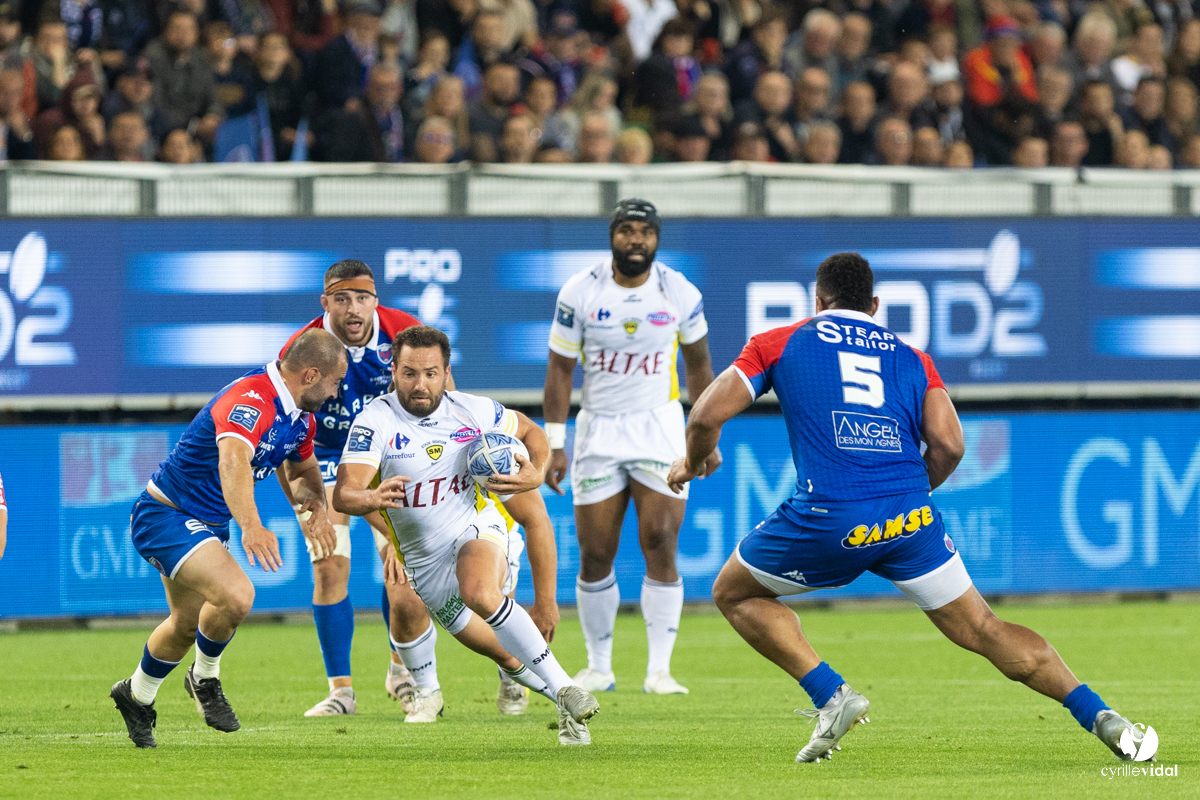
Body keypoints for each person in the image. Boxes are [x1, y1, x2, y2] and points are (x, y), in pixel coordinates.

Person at [667, 252, 1155, 764]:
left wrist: (694, 461)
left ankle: (831, 696)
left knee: (734, 592)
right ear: (874, 305)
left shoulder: (779, 342)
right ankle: (1101, 715)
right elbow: (950, 446)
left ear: (817, 300)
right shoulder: (913, 356)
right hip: (910, 518)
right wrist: (905, 496)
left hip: (831, 514)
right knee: (985, 628)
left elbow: (704, 416)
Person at [333, 326, 600, 744]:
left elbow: (531, 431)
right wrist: (369, 496)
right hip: (424, 561)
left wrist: (536, 468)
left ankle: (566, 686)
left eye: (431, 373)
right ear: (394, 371)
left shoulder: (472, 411)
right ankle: (563, 706)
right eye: (409, 373)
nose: (420, 384)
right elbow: (344, 494)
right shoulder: (375, 422)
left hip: (473, 527)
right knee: (505, 652)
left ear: (445, 371)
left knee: (479, 590)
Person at [110, 330, 348, 749]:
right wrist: (252, 525)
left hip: (204, 525)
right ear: (311, 374)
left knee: (186, 625)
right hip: (166, 514)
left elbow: (303, 469)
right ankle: (205, 678)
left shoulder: (300, 418)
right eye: (334, 382)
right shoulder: (252, 398)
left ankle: (136, 695)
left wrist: (317, 508)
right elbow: (233, 459)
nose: (336, 392)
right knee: (237, 595)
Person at [544, 199, 719, 696]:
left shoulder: (679, 291)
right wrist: (556, 443)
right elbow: (559, 370)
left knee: (660, 539)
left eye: (645, 231)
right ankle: (599, 666)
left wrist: (706, 436)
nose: (636, 239)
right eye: (626, 230)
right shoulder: (581, 290)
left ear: (657, 238)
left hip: (659, 428)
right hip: (598, 429)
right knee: (596, 552)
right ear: (612, 236)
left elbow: (700, 367)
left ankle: (659, 670)